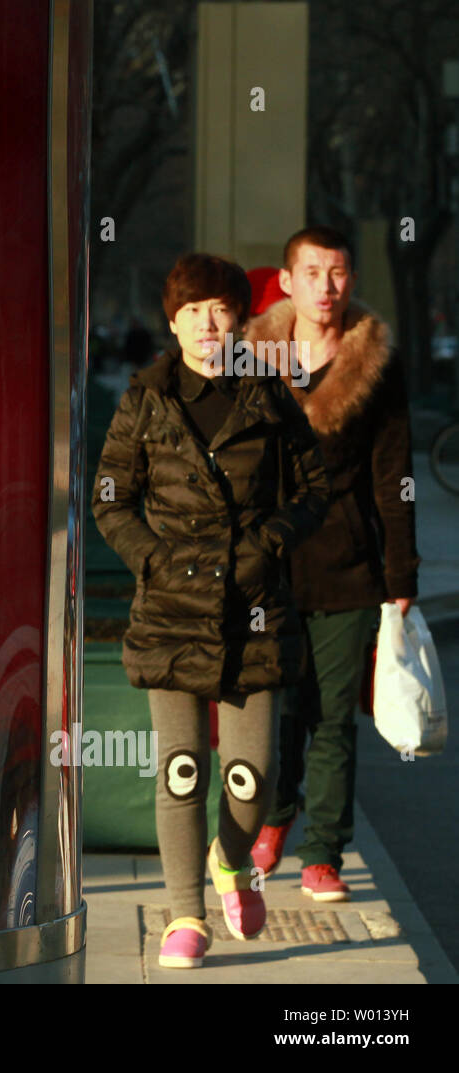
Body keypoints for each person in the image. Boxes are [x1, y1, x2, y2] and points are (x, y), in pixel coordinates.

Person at [92, 253, 329, 968]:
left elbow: (313, 488)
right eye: (193, 310)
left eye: (222, 308)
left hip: (255, 612)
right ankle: (185, 914)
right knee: (183, 767)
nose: (208, 323)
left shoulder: (267, 395)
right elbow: (110, 496)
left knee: (253, 775)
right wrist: (153, 559)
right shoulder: (146, 398)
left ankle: (232, 859)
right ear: (173, 322)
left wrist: (272, 541)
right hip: (171, 612)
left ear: (240, 319)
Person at [246, 226, 420, 901]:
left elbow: (394, 474)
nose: (327, 286)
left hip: (348, 566)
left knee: (333, 718)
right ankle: (277, 814)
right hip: (270, 563)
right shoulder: (253, 359)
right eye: (313, 271)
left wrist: (401, 574)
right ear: (287, 282)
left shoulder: (375, 362)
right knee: (279, 706)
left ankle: (323, 851)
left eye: (339, 272)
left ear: (352, 279)